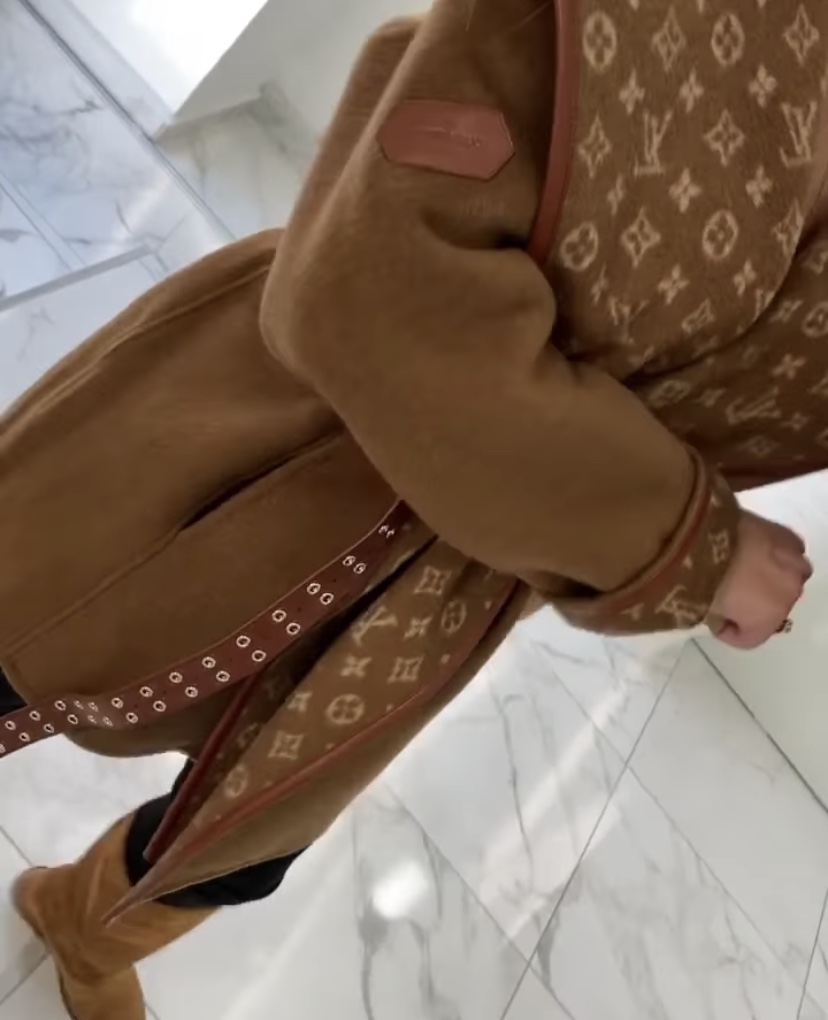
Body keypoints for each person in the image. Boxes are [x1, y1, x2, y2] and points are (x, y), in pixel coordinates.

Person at [0, 0, 820, 1016]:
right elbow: (368, 282)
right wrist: (698, 546)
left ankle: (82, 927)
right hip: (283, 438)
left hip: (467, 558)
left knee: (244, 829)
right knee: (30, 641)